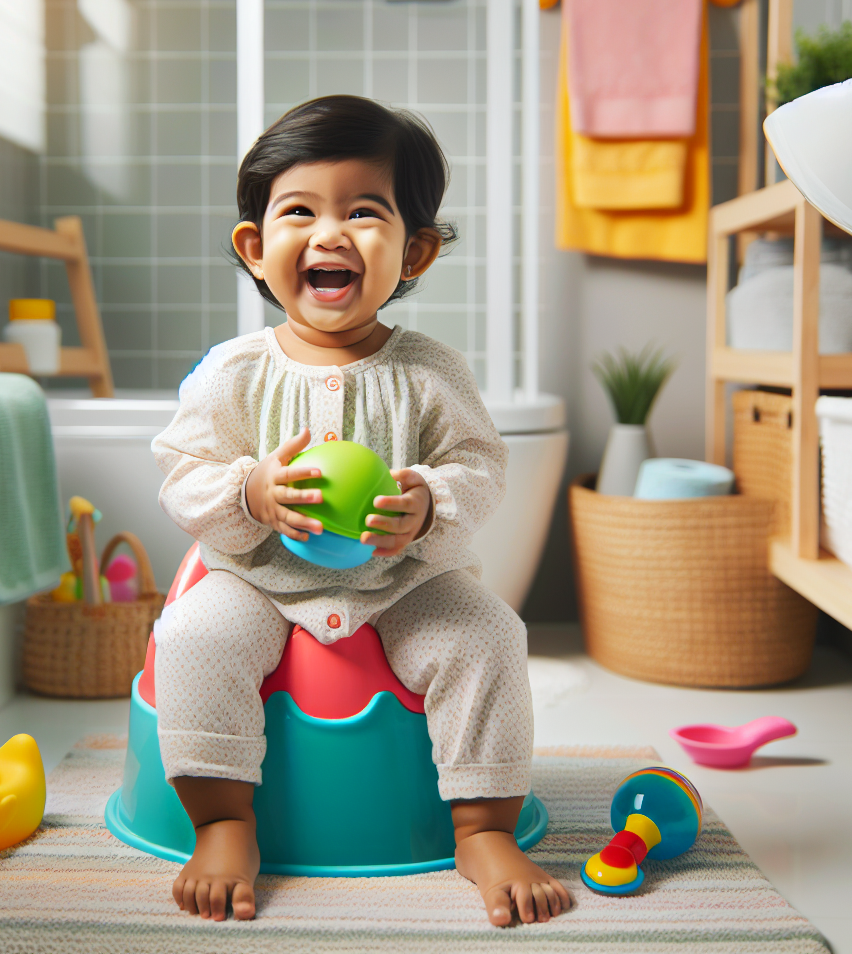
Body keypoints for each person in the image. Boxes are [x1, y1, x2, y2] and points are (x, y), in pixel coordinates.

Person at [152, 95, 571, 927]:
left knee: (489, 635)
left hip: (405, 582)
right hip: (259, 578)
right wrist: (250, 493)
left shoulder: (430, 370)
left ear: (414, 249)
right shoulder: (233, 373)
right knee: (193, 637)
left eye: (363, 212)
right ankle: (224, 820)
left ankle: (483, 827)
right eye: (299, 211)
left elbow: (481, 465)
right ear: (255, 246)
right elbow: (181, 474)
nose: (331, 233)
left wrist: (429, 505)